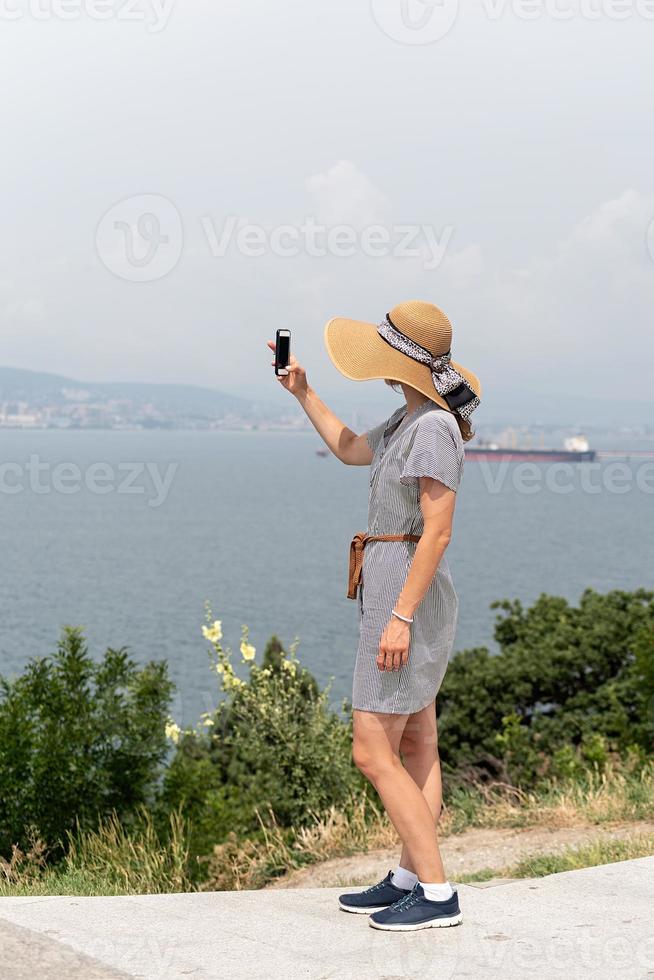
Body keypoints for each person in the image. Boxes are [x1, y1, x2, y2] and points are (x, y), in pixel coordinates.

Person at [268, 300, 481, 933]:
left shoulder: (434, 428)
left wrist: (400, 617)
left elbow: (437, 534)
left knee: (371, 750)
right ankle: (411, 878)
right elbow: (351, 449)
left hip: (405, 596)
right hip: (393, 588)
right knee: (417, 742)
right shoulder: (407, 418)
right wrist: (303, 392)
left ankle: (438, 893)